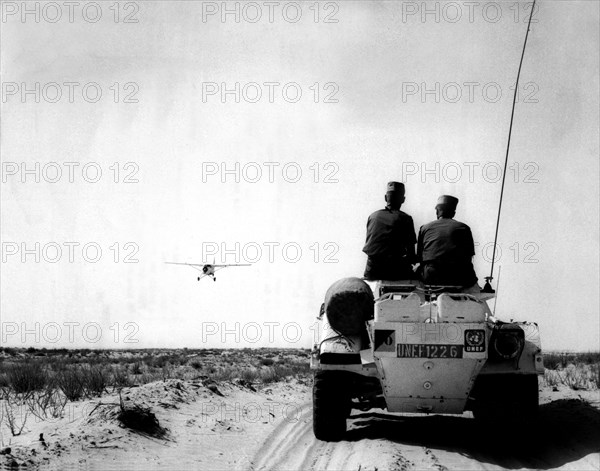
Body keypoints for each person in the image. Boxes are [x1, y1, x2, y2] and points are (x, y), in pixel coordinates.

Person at [417, 195, 478, 290]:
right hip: (459, 276)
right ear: (453, 213)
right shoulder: (464, 228)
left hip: (431, 276)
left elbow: (420, 258)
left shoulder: (424, 228)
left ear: (437, 211)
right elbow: (468, 257)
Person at [363, 182, 417, 281]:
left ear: (385, 198)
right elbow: (411, 254)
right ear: (403, 200)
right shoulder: (406, 218)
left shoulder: (373, 216)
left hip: (372, 270)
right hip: (394, 270)